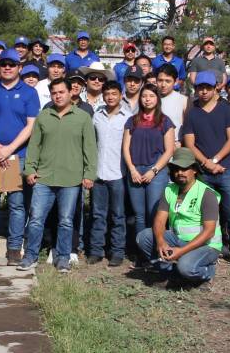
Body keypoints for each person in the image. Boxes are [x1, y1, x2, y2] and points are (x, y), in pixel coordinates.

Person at [19, 78, 97, 272]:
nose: (58, 96)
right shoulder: (44, 116)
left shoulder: (83, 117)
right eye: (54, 93)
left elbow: (90, 148)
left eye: (62, 92)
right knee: (36, 218)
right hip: (43, 178)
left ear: (71, 93)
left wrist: (89, 174)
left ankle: (62, 257)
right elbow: (34, 146)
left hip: (71, 179)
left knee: (66, 220)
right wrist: (29, 169)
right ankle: (31, 256)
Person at [181, 71, 230, 271]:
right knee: (205, 214)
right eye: (200, 88)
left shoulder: (226, 110)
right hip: (203, 171)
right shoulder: (192, 112)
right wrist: (207, 163)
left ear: (215, 88)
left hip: (225, 169)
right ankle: (207, 248)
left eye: (208, 88)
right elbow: (189, 143)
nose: (203, 91)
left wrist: (216, 160)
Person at [0, 51, 39, 264]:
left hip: (17, 156)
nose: (7, 68)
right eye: (3, 64)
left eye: (12, 64)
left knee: (16, 204)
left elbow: (31, 125)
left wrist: (9, 149)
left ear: (19, 67)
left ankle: (13, 249)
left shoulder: (29, 92)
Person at [136, 147, 222, 286]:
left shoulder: (206, 194)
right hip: (179, 239)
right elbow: (159, 220)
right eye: (176, 169)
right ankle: (171, 273)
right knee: (144, 237)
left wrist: (181, 251)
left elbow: (209, 232)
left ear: (194, 170)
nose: (179, 172)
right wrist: (160, 242)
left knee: (186, 267)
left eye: (184, 168)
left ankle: (207, 272)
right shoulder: (169, 190)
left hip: (206, 245)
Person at [123, 85, 175, 255]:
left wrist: (154, 170)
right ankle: (141, 253)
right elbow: (125, 148)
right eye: (144, 96)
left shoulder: (165, 121)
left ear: (157, 99)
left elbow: (169, 150)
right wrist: (132, 169)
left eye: (151, 96)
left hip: (157, 172)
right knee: (139, 215)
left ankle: (155, 250)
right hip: (136, 171)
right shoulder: (132, 121)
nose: (147, 99)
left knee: (155, 214)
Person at [89, 80, 131, 267]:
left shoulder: (128, 117)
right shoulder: (97, 116)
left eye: (114, 93)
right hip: (99, 173)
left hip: (118, 173)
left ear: (120, 95)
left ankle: (117, 251)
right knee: (98, 214)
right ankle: (96, 250)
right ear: (103, 96)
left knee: (118, 215)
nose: (110, 97)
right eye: (107, 94)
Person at [156, 64, 187, 129]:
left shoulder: (183, 100)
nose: (163, 85)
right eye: (160, 80)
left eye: (168, 81)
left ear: (175, 81)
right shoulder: (150, 99)